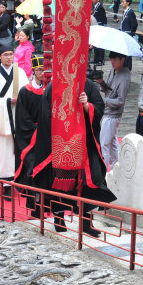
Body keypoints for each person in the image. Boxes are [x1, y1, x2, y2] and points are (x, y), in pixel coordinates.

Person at [31, 75, 116, 237]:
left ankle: (86, 222)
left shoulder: (89, 85)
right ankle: (59, 219)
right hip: (61, 143)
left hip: (84, 144)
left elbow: (99, 108)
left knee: (89, 184)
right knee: (60, 184)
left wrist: (87, 105)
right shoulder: (53, 86)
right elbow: (45, 115)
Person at [0, 38, 29, 193]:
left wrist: (21, 100)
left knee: (19, 150)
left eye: (11, 54)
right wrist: (7, 101)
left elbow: (27, 91)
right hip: (3, 118)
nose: (9, 57)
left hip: (18, 116)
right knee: (4, 150)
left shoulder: (20, 72)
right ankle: (6, 183)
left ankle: (19, 179)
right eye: (5, 54)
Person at [14, 54, 45, 194]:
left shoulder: (50, 90)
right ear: (33, 70)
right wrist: (35, 129)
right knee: (30, 159)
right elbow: (22, 116)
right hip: (30, 132)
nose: (42, 73)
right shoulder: (25, 91)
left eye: (45, 69)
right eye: (39, 69)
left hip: (47, 131)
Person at [97, 52, 131, 169]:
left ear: (122, 59)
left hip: (113, 114)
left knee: (105, 144)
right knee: (112, 143)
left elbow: (121, 100)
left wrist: (105, 101)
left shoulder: (125, 76)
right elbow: (107, 88)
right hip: (108, 111)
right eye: (111, 59)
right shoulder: (113, 70)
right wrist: (101, 82)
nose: (112, 62)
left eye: (114, 60)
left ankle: (105, 170)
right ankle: (116, 167)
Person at [120, 0, 137, 70]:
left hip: (128, 34)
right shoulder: (125, 11)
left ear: (128, 3)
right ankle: (124, 66)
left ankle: (128, 68)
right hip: (123, 33)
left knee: (128, 52)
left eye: (123, 2)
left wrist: (131, 32)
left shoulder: (130, 12)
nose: (122, 3)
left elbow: (134, 24)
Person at [92, 0, 107, 66]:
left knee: (100, 45)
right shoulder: (94, 7)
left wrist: (103, 27)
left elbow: (104, 18)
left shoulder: (100, 7)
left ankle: (101, 60)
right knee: (95, 44)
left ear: (98, 0)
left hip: (100, 27)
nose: (92, 0)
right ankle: (96, 59)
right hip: (95, 28)